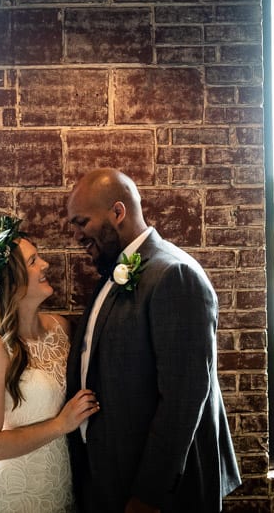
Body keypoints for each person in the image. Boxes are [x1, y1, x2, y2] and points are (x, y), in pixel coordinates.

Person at [65, 169, 242, 513]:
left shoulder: (174, 274)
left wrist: (149, 495)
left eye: (81, 222)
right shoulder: (114, 272)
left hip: (159, 494)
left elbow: (185, 395)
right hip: (111, 477)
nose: (76, 235)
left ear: (118, 212)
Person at [0, 215, 100, 513]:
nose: (45, 266)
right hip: (12, 496)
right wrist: (60, 424)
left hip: (61, 489)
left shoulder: (61, 328)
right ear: (12, 282)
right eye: (33, 261)